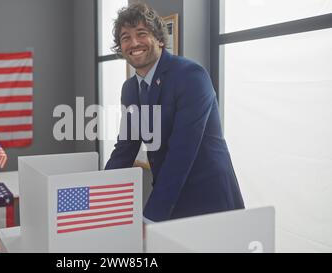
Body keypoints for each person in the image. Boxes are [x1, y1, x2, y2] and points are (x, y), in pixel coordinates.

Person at [105, 3, 245, 222]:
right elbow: (125, 147)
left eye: (141, 33)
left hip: (210, 201)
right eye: (125, 37)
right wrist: (98, 196)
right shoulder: (130, 89)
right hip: (171, 198)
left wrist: (150, 218)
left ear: (159, 39)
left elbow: (181, 153)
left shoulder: (191, 75)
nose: (133, 43)